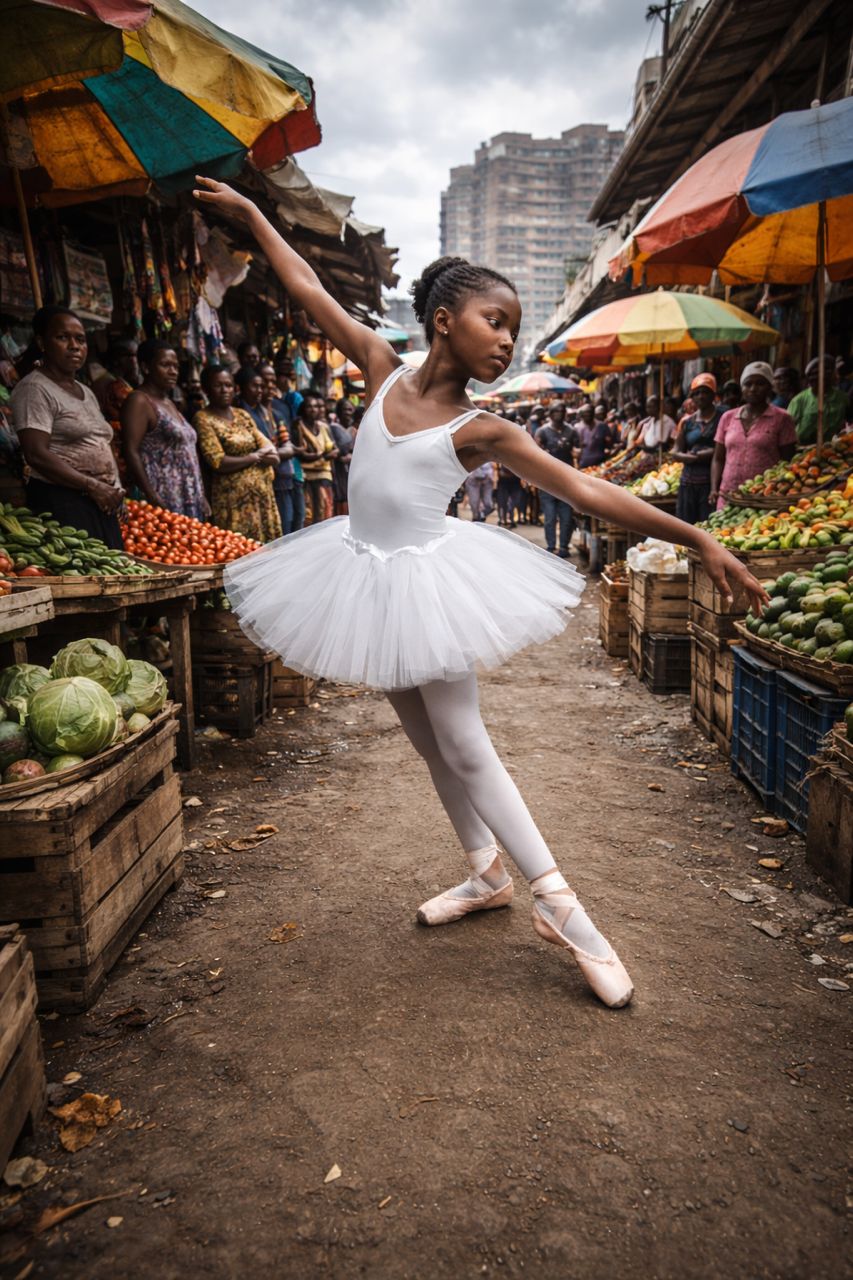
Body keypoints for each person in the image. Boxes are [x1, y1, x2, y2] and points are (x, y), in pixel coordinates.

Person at [194, 176, 767, 1011]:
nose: (505, 341)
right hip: (359, 577)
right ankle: (483, 873)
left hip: (427, 581)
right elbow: (307, 287)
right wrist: (250, 217)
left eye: (512, 329)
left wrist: (696, 534)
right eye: (494, 322)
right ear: (442, 322)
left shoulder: (483, 429)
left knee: (464, 744)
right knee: (426, 741)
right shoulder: (381, 369)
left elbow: (585, 492)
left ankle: (563, 908)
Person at [11, 305, 124, 548]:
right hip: (64, 501)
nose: (74, 346)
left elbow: (99, 442)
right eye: (63, 337)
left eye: (80, 339)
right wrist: (92, 485)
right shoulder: (34, 389)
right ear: (42, 342)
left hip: (99, 501)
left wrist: (115, 489)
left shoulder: (85, 391)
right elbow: (36, 454)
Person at [120, 339, 208, 519]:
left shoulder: (170, 403)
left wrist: (201, 495)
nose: (173, 371)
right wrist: (152, 496)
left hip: (188, 494)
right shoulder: (140, 401)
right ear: (145, 367)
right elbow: (131, 450)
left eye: (175, 366)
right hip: (164, 495)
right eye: (165, 365)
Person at [194, 365, 282, 542]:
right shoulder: (203, 418)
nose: (225, 390)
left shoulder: (243, 415)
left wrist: (254, 457)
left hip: (263, 497)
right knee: (240, 551)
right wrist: (255, 456)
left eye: (228, 385)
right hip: (233, 501)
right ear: (206, 389)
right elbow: (218, 461)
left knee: (267, 552)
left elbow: (273, 454)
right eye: (218, 385)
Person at [710, 362, 797, 510]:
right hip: (728, 495)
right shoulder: (728, 417)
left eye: (760, 384)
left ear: (770, 387)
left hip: (763, 498)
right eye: (748, 384)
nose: (753, 389)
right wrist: (714, 488)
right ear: (742, 388)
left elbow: (788, 461)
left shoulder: (782, 418)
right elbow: (718, 458)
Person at [670, 373, 724, 524]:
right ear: (692, 397)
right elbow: (676, 451)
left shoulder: (723, 417)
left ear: (714, 395)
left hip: (711, 481)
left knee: (709, 525)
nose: (701, 396)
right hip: (688, 481)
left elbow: (724, 449)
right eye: (697, 393)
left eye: (706, 392)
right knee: (686, 526)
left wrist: (704, 455)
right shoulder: (688, 422)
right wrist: (689, 457)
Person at [257, 363, 298, 535]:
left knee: (290, 523)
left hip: (285, 476)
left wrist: (274, 453)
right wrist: (276, 452)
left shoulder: (279, 410)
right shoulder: (249, 413)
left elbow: (288, 446)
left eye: (273, 381)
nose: (270, 386)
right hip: (267, 481)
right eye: (265, 381)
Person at [535, 403, 578, 557]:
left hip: (567, 481)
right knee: (550, 517)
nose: (559, 414)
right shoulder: (543, 432)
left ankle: (564, 546)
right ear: (550, 414)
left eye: (562, 411)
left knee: (566, 517)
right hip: (547, 481)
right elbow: (535, 453)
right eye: (556, 411)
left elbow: (577, 451)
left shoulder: (571, 431)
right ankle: (551, 546)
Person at [290, 392, 337, 524]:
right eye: (309, 406)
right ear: (303, 409)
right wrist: (322, 455)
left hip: (324, 474)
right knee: (309, 514)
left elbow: (335, 449)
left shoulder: (324, 426)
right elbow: (301, 453)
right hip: (307, 475)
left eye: (316, 406)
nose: (313, 409)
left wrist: (320, 455)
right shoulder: (298, 426)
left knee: (325, 511)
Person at [787, 356, 850, 445]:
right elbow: (787, 429)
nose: (819, 376)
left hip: (831, 451)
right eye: (813, 373)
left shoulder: (842, 398)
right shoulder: (799, 400)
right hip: (802, 450)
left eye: (827, 371)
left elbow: (849, 421)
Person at [329, 398, 356, 516]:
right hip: (338, 470)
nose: (348, 412)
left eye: (350, 409)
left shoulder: (354, 430)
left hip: (352, 469)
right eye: (345, 409)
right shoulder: (333, 428)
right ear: (339, 411)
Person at [577, 403, 615, 470]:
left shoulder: (602, 426)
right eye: (585, 413)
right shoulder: (577, 428)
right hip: (584, 464)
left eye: (589, 412)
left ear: (593, 413)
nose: (588, 415)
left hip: (600, 463)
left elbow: (610, 443)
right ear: (582, 415)